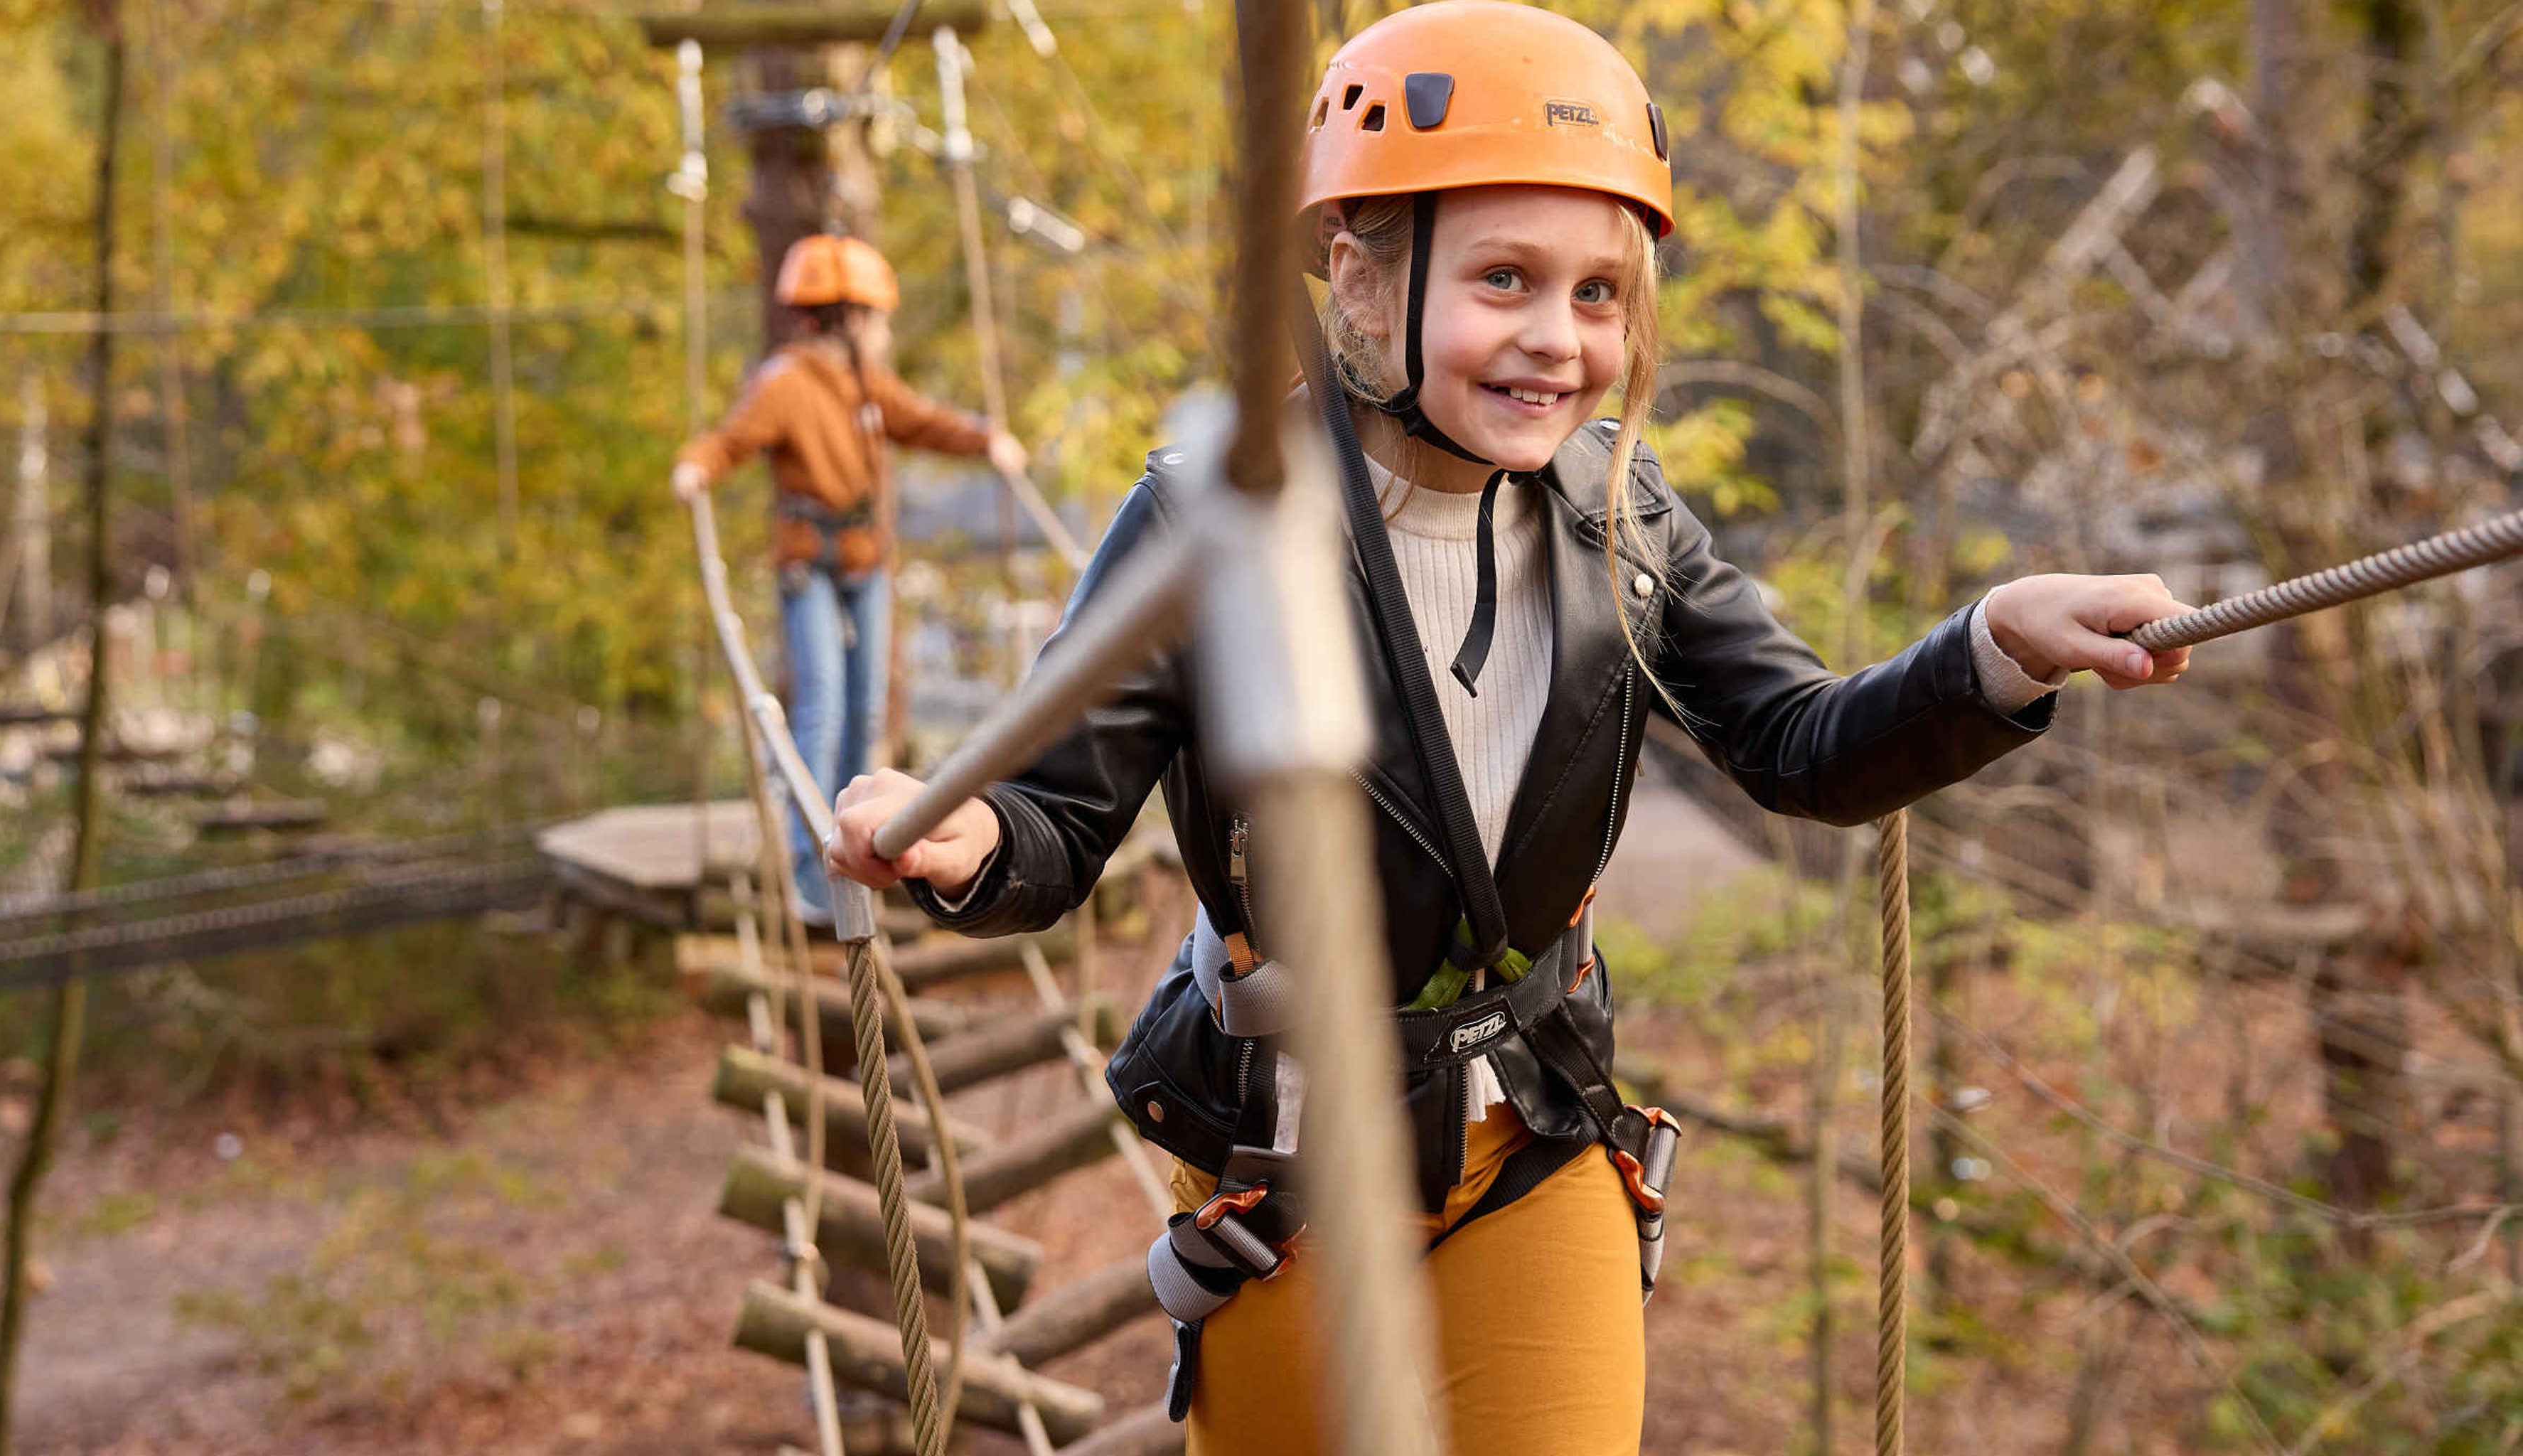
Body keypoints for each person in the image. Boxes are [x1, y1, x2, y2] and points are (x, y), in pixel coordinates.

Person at [826, 4, 2192, 1451]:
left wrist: (1994, 650)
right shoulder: (1213, 518)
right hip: (1290, 1159)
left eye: (1600, 293)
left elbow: (1804, 744)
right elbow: (1057, 822)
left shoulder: (1622, 516)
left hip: (1538, 1125)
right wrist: (969, 835)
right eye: (1504, 279)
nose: (1558, 338)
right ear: (1361, 285)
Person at [672, 233, 1028, 925]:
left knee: (865, 711)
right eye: (878, 317)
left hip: (866, 562)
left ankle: (856, 849)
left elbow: (923, 422)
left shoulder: (867, 383)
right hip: (810, 564)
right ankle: (812, 873)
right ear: (849, 318)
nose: (885, 330)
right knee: (823, 708)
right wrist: (696, 466)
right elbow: (731, 440)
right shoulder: (785, 382)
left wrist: (986, 438)